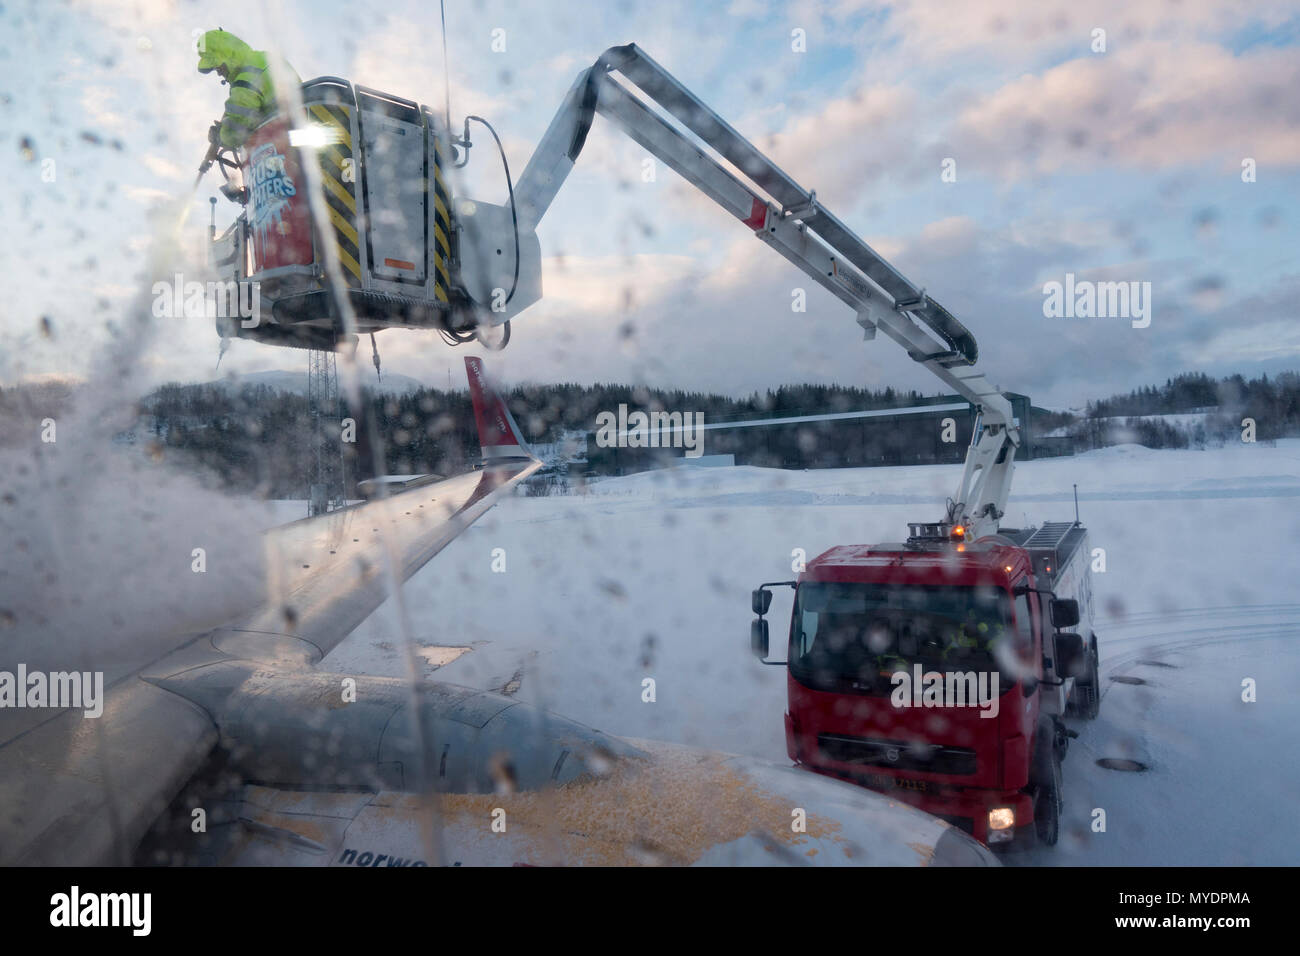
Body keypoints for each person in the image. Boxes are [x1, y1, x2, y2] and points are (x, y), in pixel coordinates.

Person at [196, 29, 301, 150]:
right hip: (308, 124)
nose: (219, 73)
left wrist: (219, 136)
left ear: (227, 56)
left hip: (285, 147)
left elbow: (236, 130)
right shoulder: (266, 57)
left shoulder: (245, 80)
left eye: (217, 66)